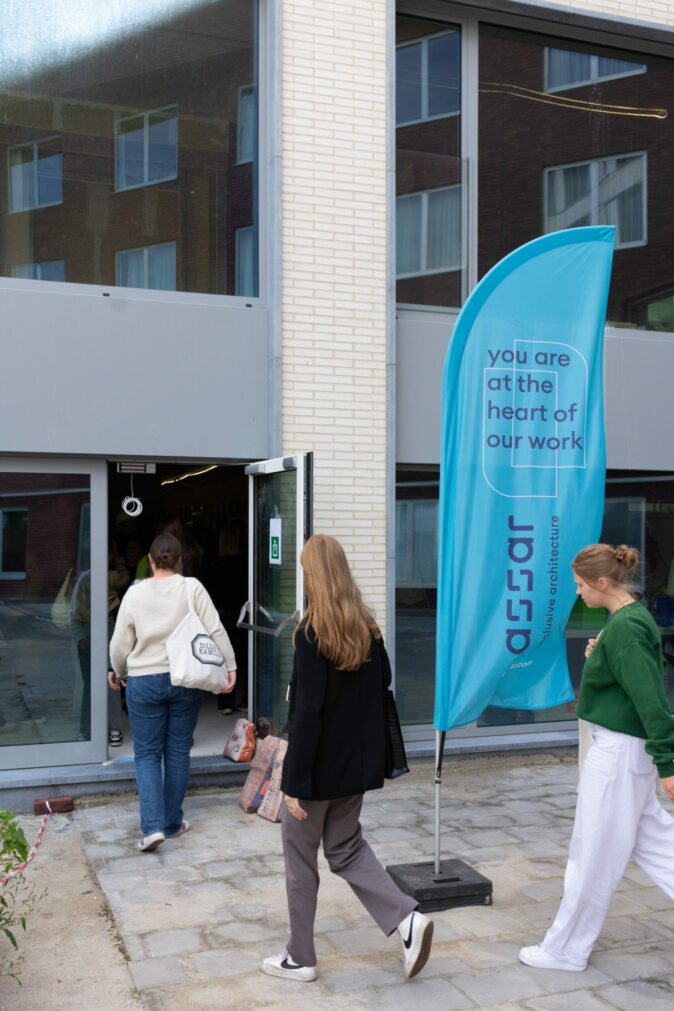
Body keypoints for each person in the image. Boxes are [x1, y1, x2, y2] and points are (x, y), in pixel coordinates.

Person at [261, 534, 433, 983]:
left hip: (314, 772)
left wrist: (292, 784)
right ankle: (407, 919)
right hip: (354, 770)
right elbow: (382, 686)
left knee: (301, 862)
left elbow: (307, 715)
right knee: (345, 848)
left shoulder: (311, 633)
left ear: (312, 575)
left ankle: (300, 958)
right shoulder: (367, 629)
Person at [519, 543, 674, 972]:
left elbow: (652, 699)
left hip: (619, 753)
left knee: (592, 853)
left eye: (581, 584)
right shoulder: (629, 618)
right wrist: (601, 659)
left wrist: (668, 764)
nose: (578, 592)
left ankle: (566, 950)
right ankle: (566, 946)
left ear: (602, 582)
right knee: (658, 844)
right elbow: (642, 677)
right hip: (625, 750)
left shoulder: (625, 627)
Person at [109, 532, 237, 852]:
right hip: (185, 679)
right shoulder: (192, 587)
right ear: (180, 561)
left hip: (144, 681)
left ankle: (152, 828)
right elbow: (216, 628)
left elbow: (120, 642)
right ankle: (171, 823)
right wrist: (230, 665)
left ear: (149, 561)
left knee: (147, 755)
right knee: (178, 751)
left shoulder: (135, 593)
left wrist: (118, 669)